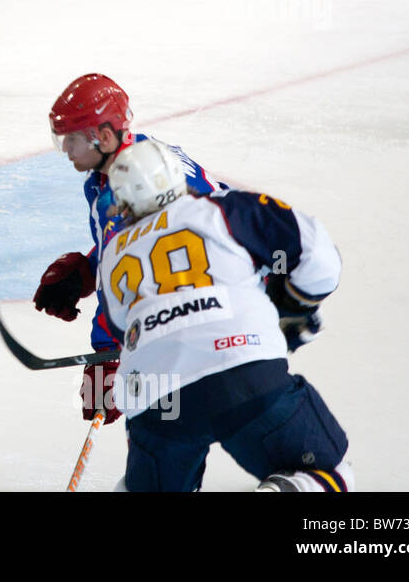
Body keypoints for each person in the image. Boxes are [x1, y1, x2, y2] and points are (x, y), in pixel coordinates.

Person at [97, 138, 352, 491]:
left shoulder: (112, 253)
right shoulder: (224, 209)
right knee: (327, 474)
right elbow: (320, 259)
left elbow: (121, 325)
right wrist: (293, 306)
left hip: (155, 399)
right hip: (243, 373)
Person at [33, 74, 225, 425]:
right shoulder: (133, 162)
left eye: (73, 138)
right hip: (211, 292)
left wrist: (108, 356)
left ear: (104, 136)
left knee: (169, 433)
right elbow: (139, 250)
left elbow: (133, 271)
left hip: (212, 309)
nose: (65, 149)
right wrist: (89, 270)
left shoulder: (125, 191)